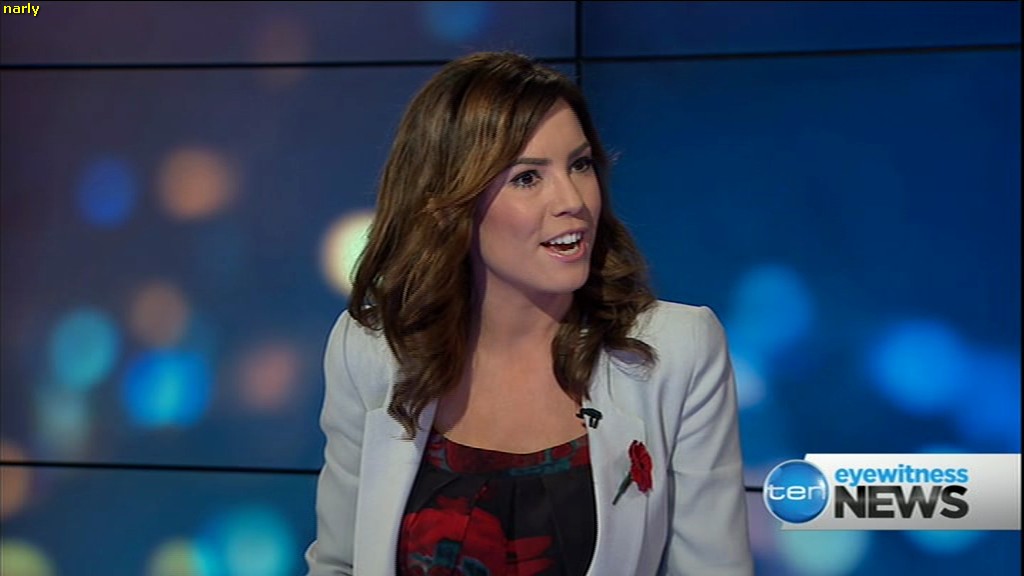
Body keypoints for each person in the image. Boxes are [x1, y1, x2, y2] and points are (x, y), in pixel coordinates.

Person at [305, 51, 753, 576]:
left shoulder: (678, 350)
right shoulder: (370, 349)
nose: (572, 200)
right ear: (449, 202)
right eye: (526, 177)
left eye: (580, 165)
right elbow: (338, 562)